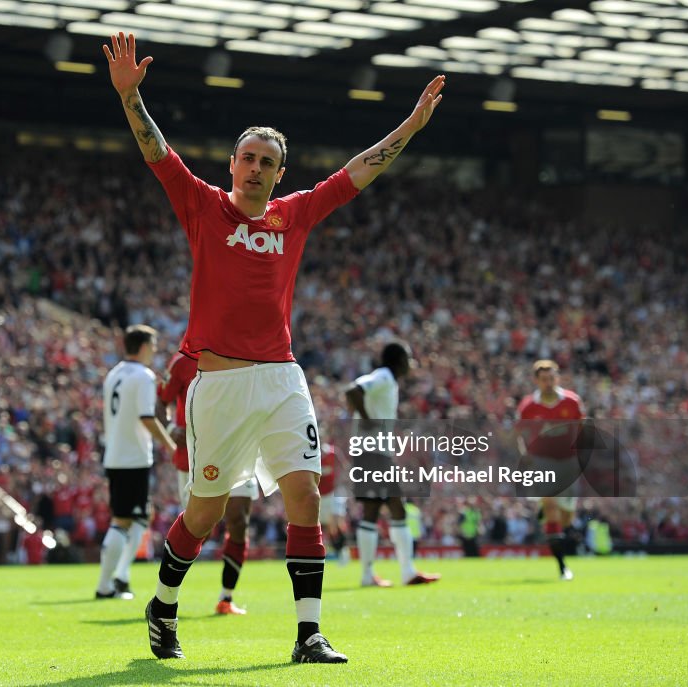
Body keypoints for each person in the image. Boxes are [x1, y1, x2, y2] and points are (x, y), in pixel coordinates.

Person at [103, 31, 445, 663]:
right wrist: (130, 97)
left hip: (283, 378)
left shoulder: (296, 213)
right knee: (204, 514)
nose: (256, 168)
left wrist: (413, 126)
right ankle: (163, 604)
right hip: (221, 384)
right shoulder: (203, 205)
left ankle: (308, 633)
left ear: (280, 173)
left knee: (305, 496)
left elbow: (358, 171)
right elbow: (157, 151)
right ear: (232, 165)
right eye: (248, 158)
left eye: (267, 161)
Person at [156, 346, 257, 615]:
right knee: (200, 525)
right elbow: (160, 402)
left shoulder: (245, 353)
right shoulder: (182, 362)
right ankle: (166, 596)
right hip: (194, 455)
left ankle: (226, 597)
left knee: (239, 521)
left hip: (238, 447)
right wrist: (170, 428)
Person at [345, 342, 440, 587]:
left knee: (385, 510)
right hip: (372, 453)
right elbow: (352, 390)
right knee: (390, 508)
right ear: (398, 360)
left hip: (374, 453)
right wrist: (367, 420)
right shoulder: (384, 376)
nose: (410, 363)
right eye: (407, 358)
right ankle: (398, 572)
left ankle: (383, 574)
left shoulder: (389, 381)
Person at [95, 325, 176, 600]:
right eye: (152, 346)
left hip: (116, 454)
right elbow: (146, 417)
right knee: (122, 519)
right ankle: (105, 586)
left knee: (141, 515)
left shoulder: (114, 374)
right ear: (142, 347)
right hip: (133, 457)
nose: (154, 351)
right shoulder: (143, 376)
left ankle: (121, 575)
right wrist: (170, 445)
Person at [516, 359, 586, 580]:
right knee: (551, 506)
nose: (548, 382)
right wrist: (525, 455)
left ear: (557, 378)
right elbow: (519, 434)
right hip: (542, 462)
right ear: (536, 381)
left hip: (568, 462)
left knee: (566, 518)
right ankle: (562, 566)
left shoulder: (572, 402)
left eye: (551, 378)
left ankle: (546, 513)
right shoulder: (528, 406)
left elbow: (582, 428)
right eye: (544, 379)